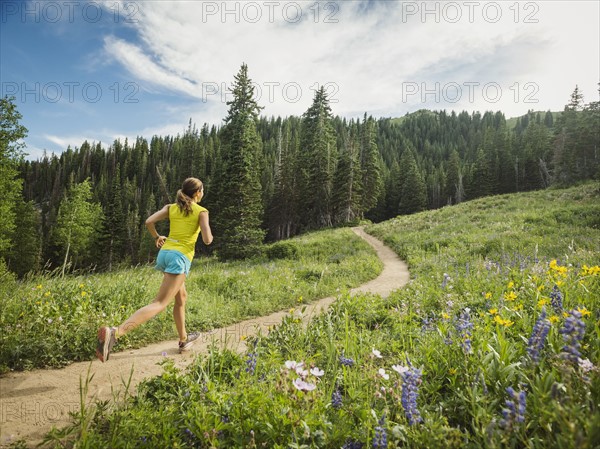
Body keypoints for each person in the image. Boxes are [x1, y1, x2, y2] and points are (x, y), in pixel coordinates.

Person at [96, 177, 213, 362]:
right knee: (159, 303)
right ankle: (116, 333)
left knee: (181, 297)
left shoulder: (171, 208)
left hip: (165, 253)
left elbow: (149, 221)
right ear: (198, 193)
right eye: (203, 190)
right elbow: (207, 240)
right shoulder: (202, 211)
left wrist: (157, 236)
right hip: (179, 257)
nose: (203, 193)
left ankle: (184, 339)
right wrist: (207, 232)